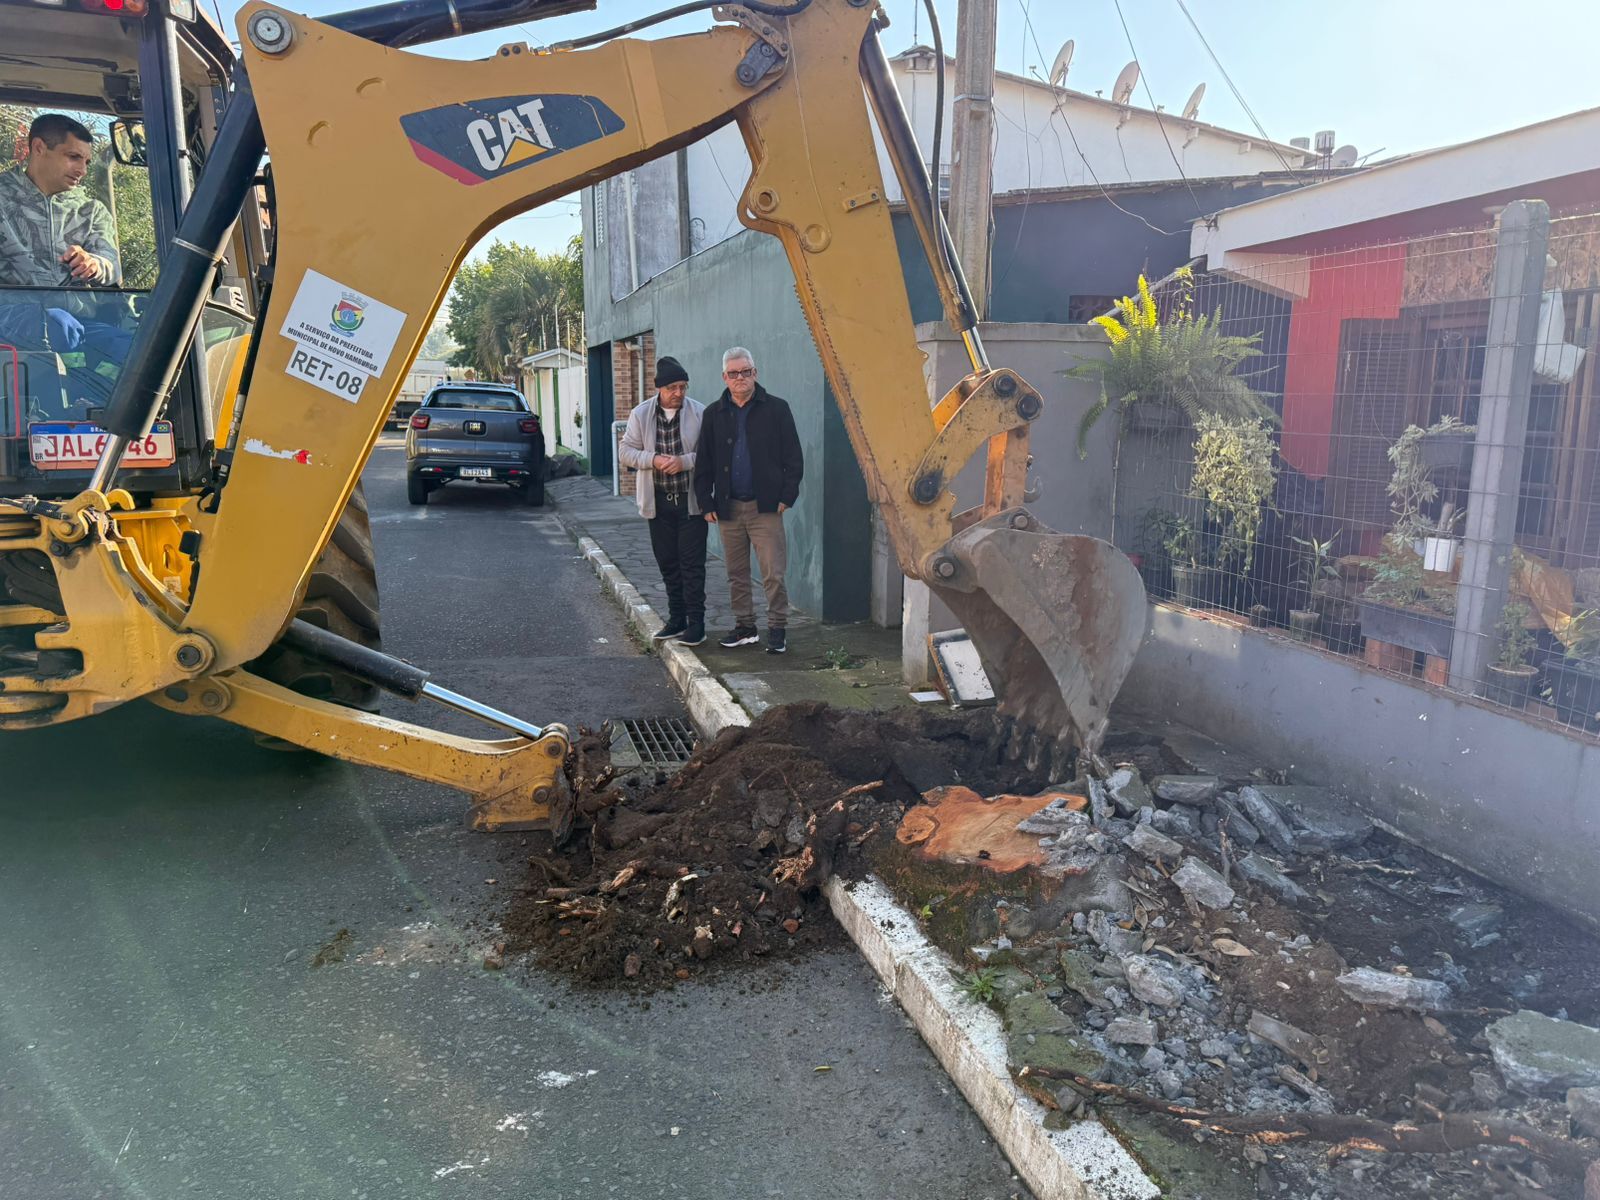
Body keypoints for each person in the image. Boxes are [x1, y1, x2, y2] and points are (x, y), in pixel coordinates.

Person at [0, 113, 128, 413]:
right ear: (39, 148)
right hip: (11, 315)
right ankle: (58, 409)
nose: (82, 169)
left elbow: (111, 262)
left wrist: (94, 263)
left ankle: (97, 413)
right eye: (73, 157)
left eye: (86, 161)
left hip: (77, 322)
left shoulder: (91, 210)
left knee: (138, 346)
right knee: (57, 325)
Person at [693, 346, 803, 654]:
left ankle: (777, 628)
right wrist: (706, 502)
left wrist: (786, 497)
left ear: (755, 373)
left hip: (765, 507)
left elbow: (793, 458)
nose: (739, 377)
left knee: (773, 573)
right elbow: (703, 463)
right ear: (724, 377)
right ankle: (745, 627)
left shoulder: (777, 409)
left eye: (745, 371)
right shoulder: (713, 414)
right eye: (733, 373)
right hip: (728, 508)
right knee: (736, 574)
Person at [618, 356, 708, 645]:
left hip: (691, 503)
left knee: (692, 565)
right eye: (672, 388)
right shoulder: (641, 414)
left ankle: (697, 624)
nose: (678, 393)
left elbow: (712, 454)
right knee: (668, 562)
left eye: (683, 386)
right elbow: (625, 452)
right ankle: (677, 618)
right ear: (659, 388)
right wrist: (654, 459)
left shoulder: (699, 413)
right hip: (658, 502)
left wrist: (684, 462)